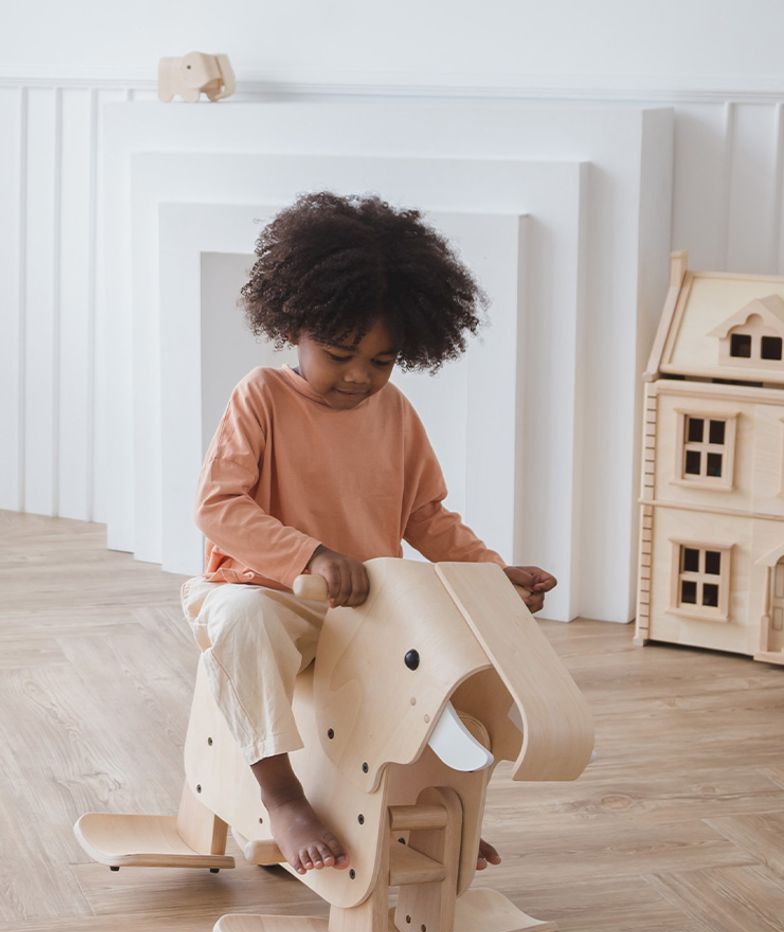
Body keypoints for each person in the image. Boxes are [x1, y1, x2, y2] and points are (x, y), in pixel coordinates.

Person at [179, 191, 556, 877]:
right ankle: (282, 796)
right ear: (295, 327)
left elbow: (426, 517)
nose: (359, 376)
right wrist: (313, 555)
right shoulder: (262, 395)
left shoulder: (396, 413)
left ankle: (440, 808)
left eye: (381, 362)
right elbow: (217, 505)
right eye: (339, 354)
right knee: (240, 619)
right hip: (272, 594)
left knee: (459, 652)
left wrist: (492, 576)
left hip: (372, 610)